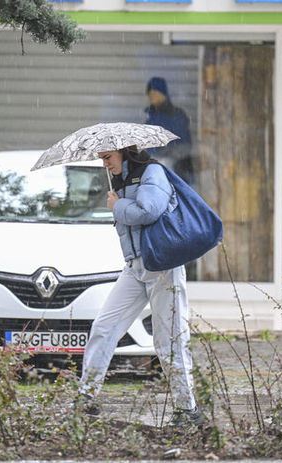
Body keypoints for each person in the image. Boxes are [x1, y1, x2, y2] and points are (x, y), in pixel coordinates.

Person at [76, 145, 204, 428]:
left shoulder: (152, 172)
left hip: (162, 266)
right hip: (134, 266)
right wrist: (119, 200)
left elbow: (149, 210)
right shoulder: (121, 181)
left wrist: (116, 206)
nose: (105, 164)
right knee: (104, 326)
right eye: (101, 159)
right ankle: (86, 398)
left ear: (124, 152)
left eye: (107, 157)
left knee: (168, 339)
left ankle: (188, 410)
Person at [144, 76, 195, 187]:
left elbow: (184, 144)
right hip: (155, 166)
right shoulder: (150, 116)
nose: (153, 97)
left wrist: (169, 152)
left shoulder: (176, 115)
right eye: (150, 94)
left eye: (155, 93)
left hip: (176, 167)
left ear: (164, 94)